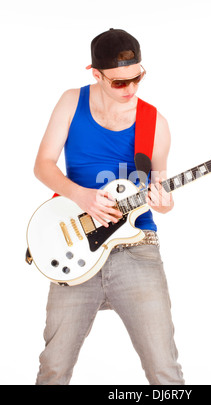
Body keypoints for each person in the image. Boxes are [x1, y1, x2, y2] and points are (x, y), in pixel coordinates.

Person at [34, 28, 184, 385]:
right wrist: (81, 195)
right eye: (119, 83)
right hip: (76, 244)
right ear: (95, 73)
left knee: (164, 369)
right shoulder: (71, 102)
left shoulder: (155, 123)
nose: (130, 89)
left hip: (137, 248)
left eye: (137, 78)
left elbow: (158, 187)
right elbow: (42, 165)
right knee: (53, 368)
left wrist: (165, 203)